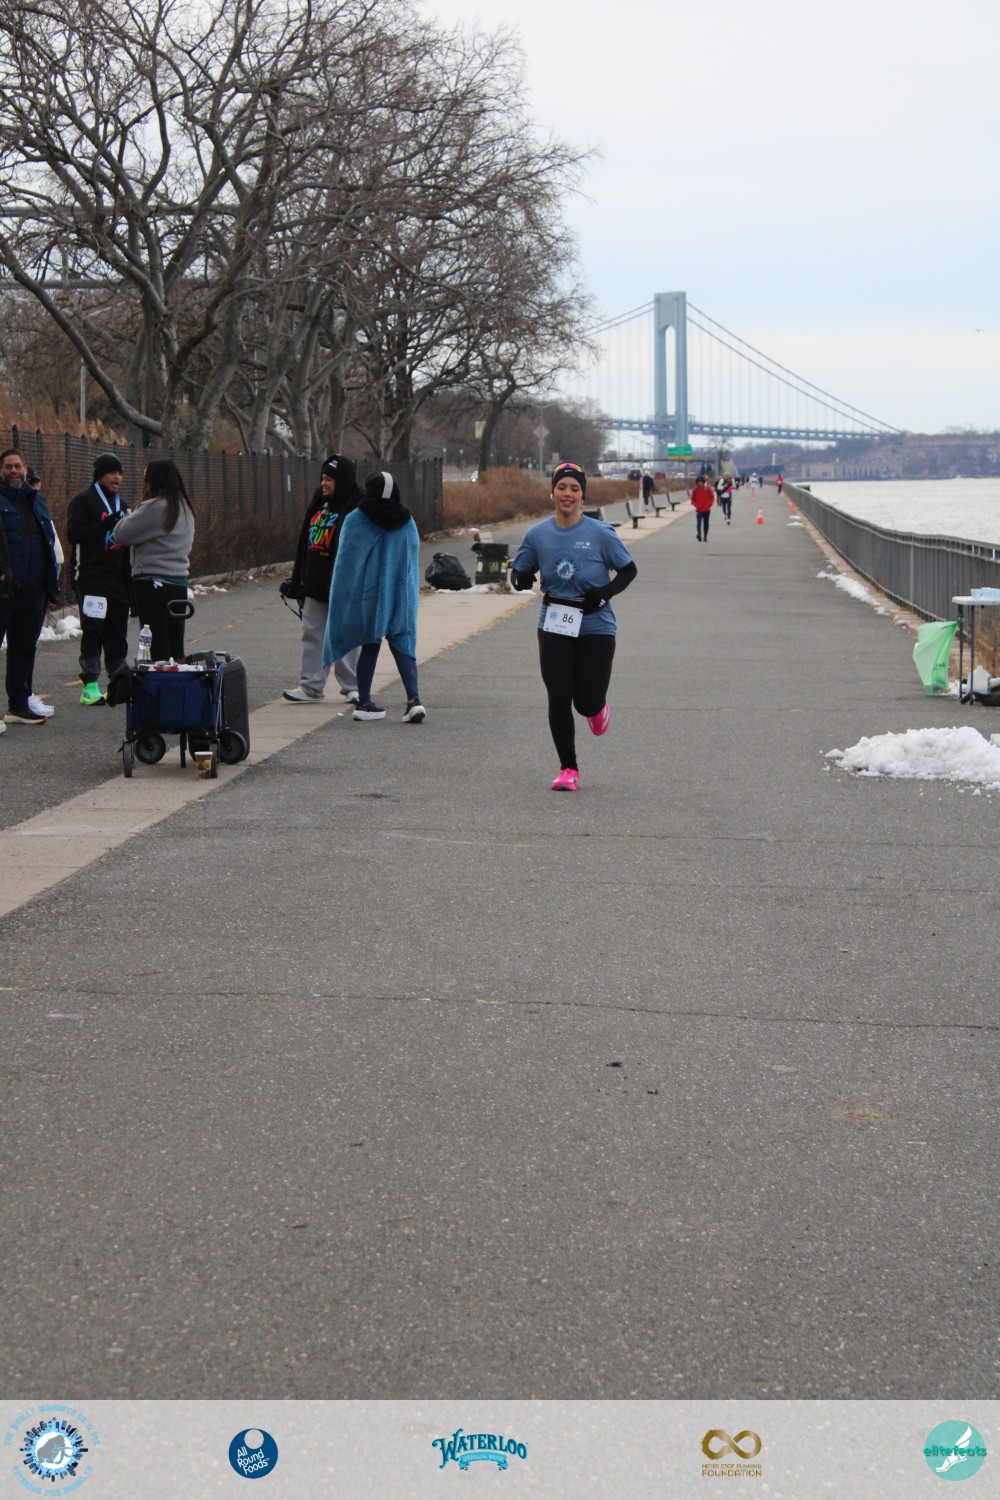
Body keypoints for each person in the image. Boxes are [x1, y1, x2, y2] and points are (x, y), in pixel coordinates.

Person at [510, 461, 636, 792]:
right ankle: (568, 768)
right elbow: (520, 570)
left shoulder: (600, 533)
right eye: (562, 487)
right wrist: (521, 578)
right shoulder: (537, 534)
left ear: (583, 495)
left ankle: (597, 708)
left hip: (596, 625)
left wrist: (606, 592)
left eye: (575, 488)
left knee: (586, 702)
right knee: (558, 696)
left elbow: (628, 570)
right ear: (552, 492)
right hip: (555, 622)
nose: (568, 493)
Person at [323, 470, 424, 723]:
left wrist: (343, 597)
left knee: (370, 642)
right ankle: (414, 701)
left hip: (368, 596)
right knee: (403, 641)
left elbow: (345, 564)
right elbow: (411, 560)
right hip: (400, 594)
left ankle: (364, 703)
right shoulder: (406, 520)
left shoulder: (356, 519)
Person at [281, 454, 364, 703]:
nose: (324, 483)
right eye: (322, 478)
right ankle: (311, 686)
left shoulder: (358, 504)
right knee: (312, 633)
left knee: (347, 636)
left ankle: (353, 686)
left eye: (329, 479)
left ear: (342, 479)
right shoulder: (319, 502)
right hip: (315, 582)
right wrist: (299, 579)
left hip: (345, 584)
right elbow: (304, 543)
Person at [112, 458, 195, 662]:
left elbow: (121, 534)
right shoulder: (185, 508)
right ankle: (178, 680)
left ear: (153, 481)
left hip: (153, 585)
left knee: (157, 646)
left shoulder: (155, 507)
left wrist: (130, 514)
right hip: (179, 584)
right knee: (176, 648)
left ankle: (160, 681)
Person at [0, 448, 61, 724]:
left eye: (18, 466)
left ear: (25, 469)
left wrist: (49, 581)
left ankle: (19, 706)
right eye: (8, 466)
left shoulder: (36, 500)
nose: (14, 471)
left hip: (33, 590)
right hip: (5, 590)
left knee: (24, 649)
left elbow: (48, 539)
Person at [67, 454, 132, 705]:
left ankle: (118, 682)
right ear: (100, 475)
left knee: (117, 631)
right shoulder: (83, 501)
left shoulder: (122, 504)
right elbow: (74, 534)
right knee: (94, 628)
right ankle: (90, 686)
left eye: (120, 473)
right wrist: (104, 526)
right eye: (112, 472)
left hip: (116, 580)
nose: (117, 477)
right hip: (91, 576)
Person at [690, 472, 715, 542]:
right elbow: (692, 499)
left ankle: (705, 536)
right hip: (699, 509)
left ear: (703, 482)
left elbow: (712, 497)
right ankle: (699, 534)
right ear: (696, 482)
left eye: (701, 482)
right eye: (698, 482)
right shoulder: (695, 490)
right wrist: (696, 505)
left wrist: (709, 504)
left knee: (706, 523)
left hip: (707, 509)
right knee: (699, 522)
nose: (700, 483)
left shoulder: (707, 489)